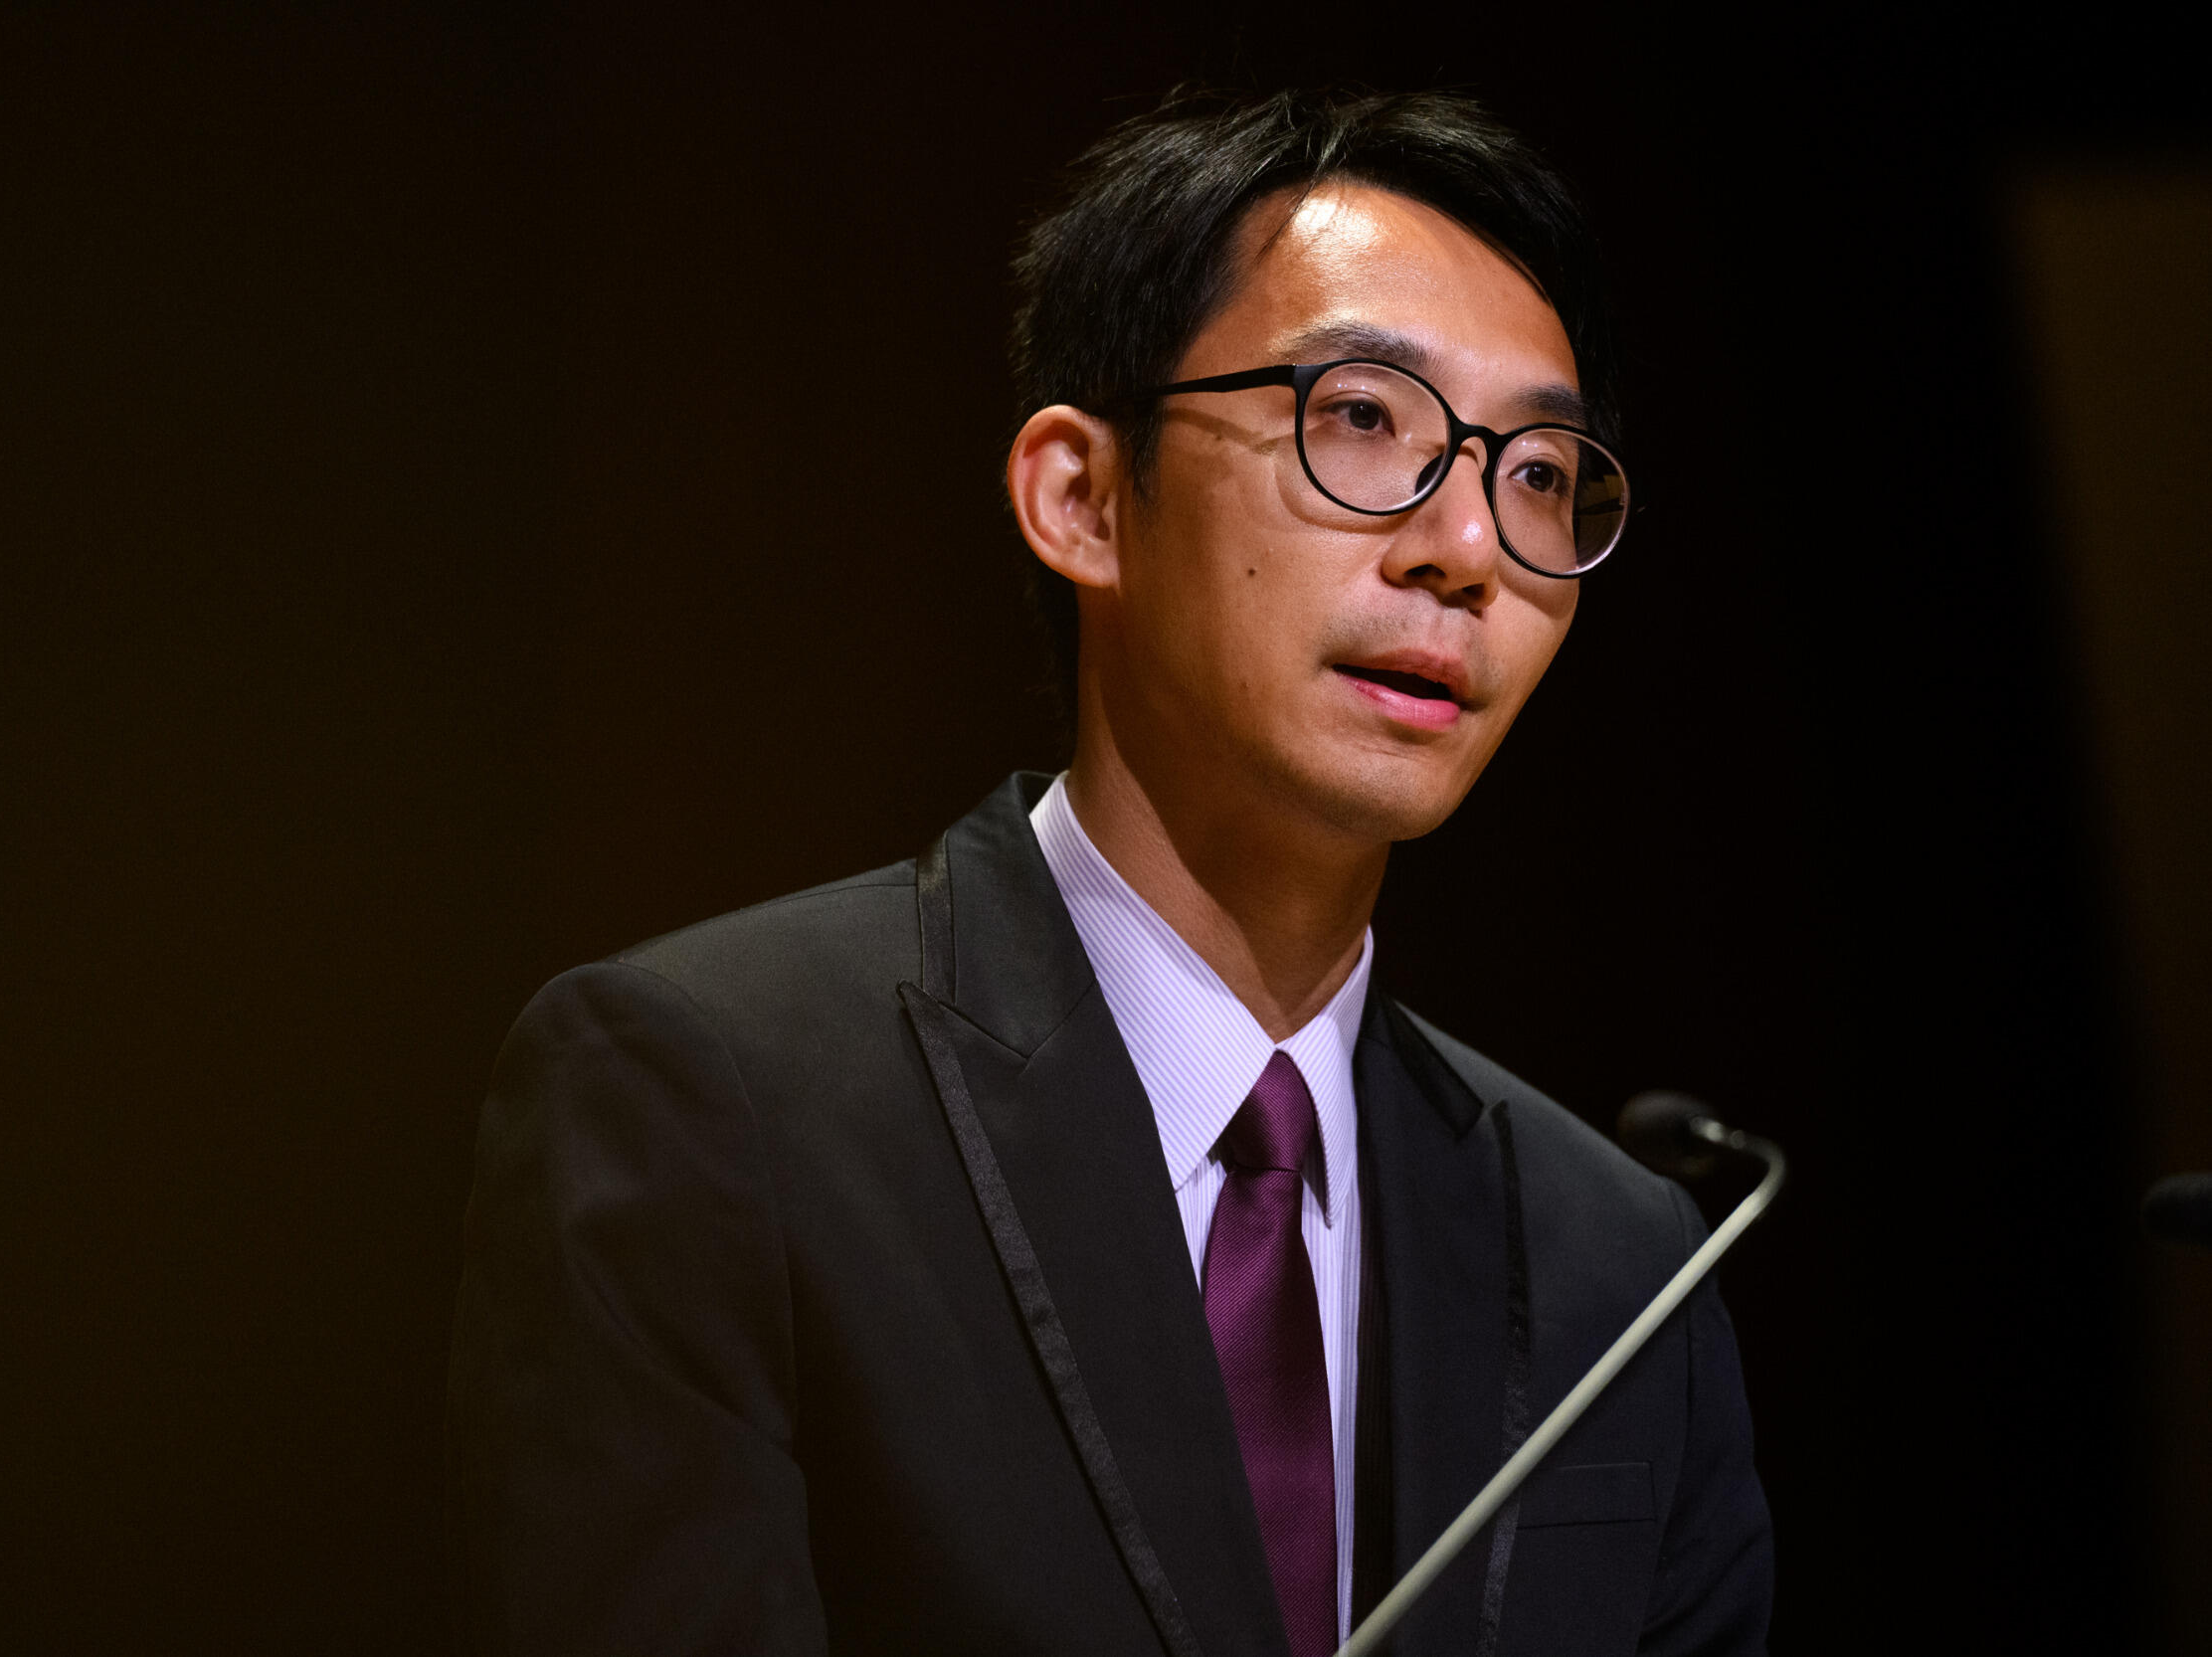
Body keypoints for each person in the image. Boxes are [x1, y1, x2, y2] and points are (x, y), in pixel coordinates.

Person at [450, 88, 1772, 1657]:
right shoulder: (710, 1101)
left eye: (1539, 470)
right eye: (1361, 418)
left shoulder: (1618, 1259)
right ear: (1081, 497)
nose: (1466, 547)